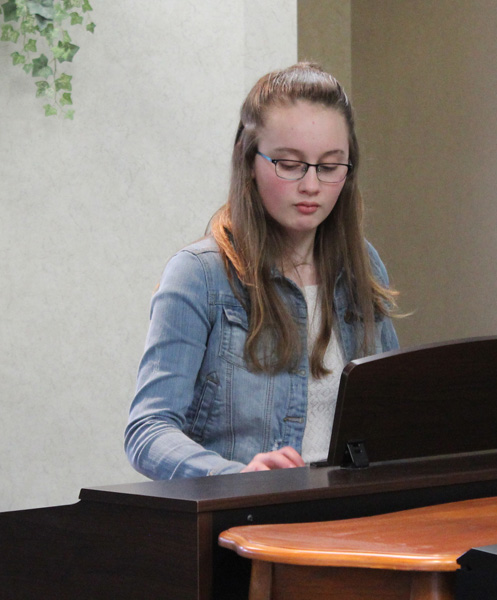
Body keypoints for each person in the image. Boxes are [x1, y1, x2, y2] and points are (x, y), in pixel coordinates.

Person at [125, 63, 400, 480]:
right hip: (247, 513)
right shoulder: (199, 275)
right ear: (249, 160)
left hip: (350, 511)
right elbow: (148, 431)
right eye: (289, 164)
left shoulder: (362, 263)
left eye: (330, 167)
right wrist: (236, 477)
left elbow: (394, 415)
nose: (311, 185)